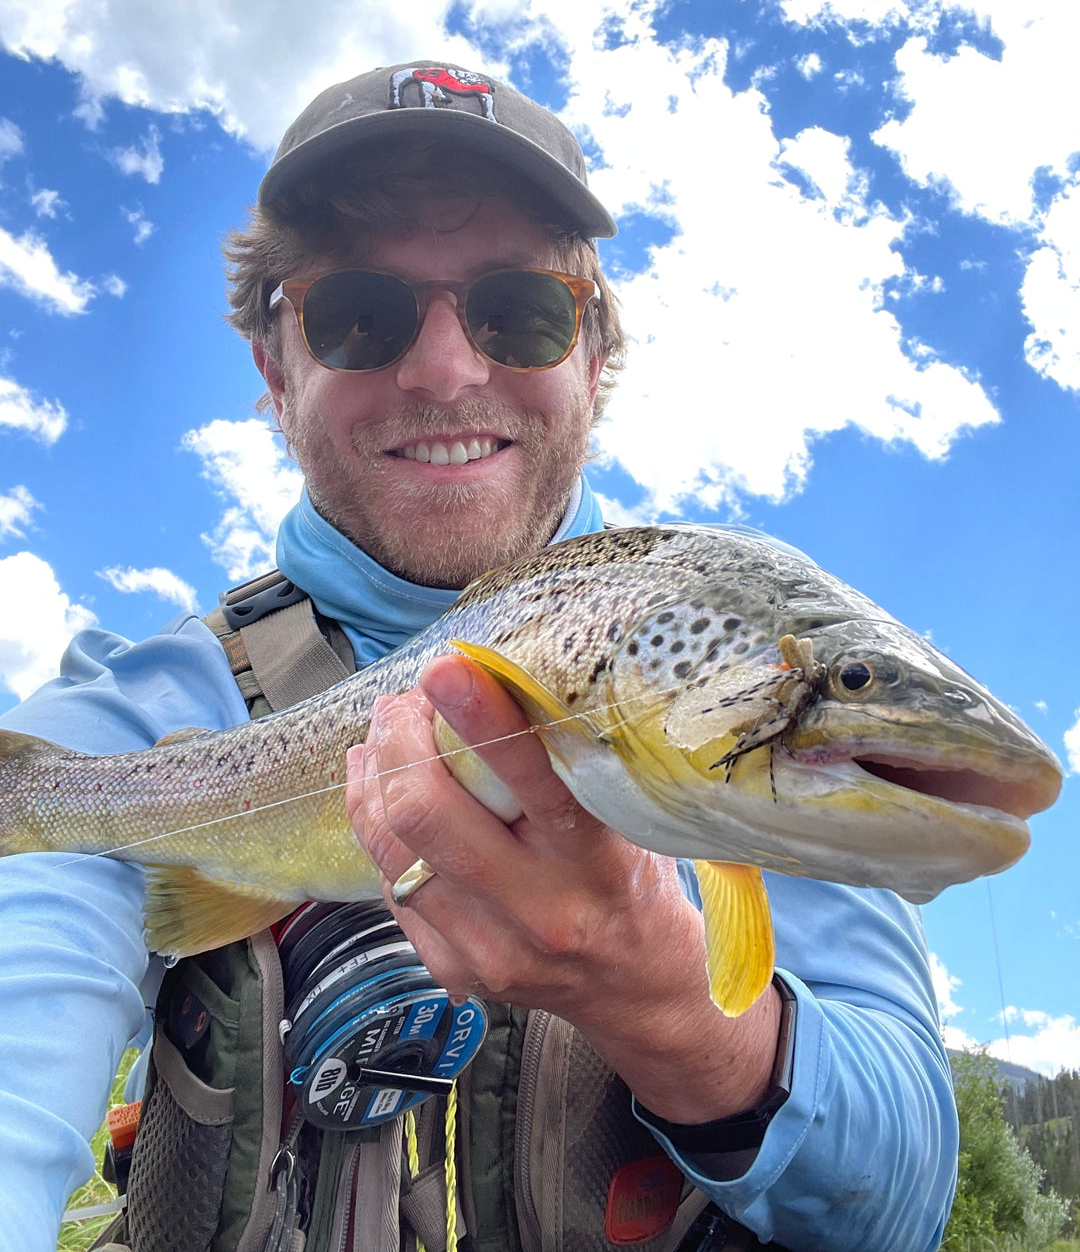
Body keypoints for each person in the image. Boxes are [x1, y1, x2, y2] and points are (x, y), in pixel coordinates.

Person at [0, 61, 958, 1252]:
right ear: (276, 372)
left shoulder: (734, 696)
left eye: (520, 310)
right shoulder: (124, 722)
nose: (448, 371)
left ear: (591, 359)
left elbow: (906, 1202)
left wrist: (676, 1018)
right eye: (360, 315)